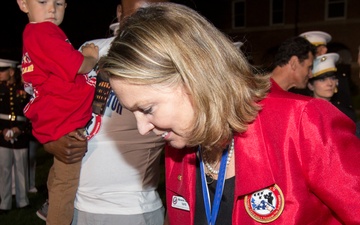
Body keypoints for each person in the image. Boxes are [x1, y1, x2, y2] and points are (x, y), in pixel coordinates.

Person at [99, 3, 360, 224]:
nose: (143, 129)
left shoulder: (303, 122)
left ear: (196, 80)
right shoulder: (180, 140)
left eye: (147, 109)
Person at [36, 0, 167, 224]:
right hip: (75, 203)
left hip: (132, 209)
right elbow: (53, 104)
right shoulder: (91, 51)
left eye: (157, 11)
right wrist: (51, 142)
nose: (148, 19)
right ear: (120, 12)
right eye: (140, 11)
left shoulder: (170, 61)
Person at [17, 0, 99, 224]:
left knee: (59, 173)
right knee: (66, 184)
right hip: (65, 118)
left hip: (55, 116)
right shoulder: (44, 31)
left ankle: (49, 206)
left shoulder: (34, 34)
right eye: (42, 1)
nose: (52, 8)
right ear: (23, 4)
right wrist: (91, 57)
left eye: (59, 3)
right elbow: (78, 65)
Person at [300, 30, 357, 122]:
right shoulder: (303, 112)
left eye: (332, 78)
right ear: (310, 85)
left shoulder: (344, 112)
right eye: (322, 79)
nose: (330, 83)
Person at [0, 58, 30, 214]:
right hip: (3, 136)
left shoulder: (23, 91)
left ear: (11, 72)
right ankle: (4, 203)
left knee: (21, 168)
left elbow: (31, 115)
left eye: (2, 71)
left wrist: (20, 129)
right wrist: (2, 130)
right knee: (3, 169)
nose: (0, 74)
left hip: (21, 134)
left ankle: (23, 201)